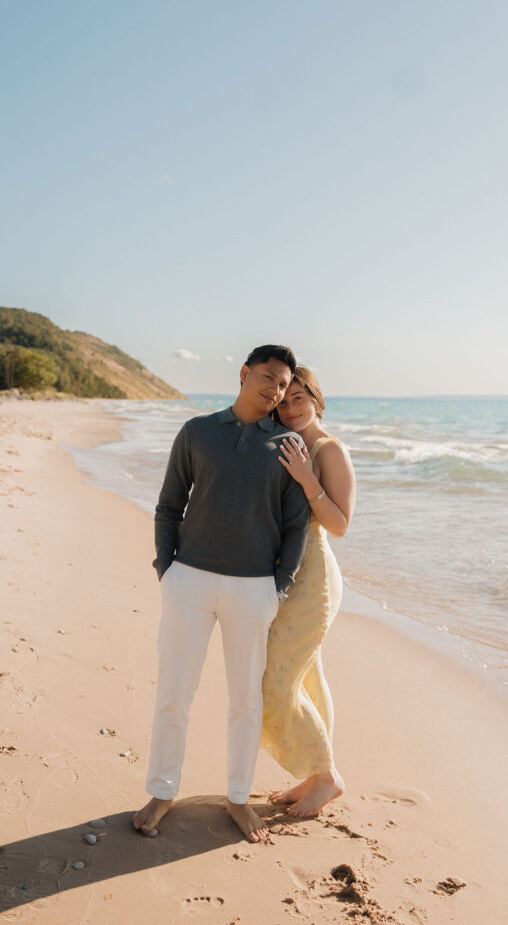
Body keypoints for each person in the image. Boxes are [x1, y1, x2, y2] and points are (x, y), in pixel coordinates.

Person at [132, 345, 310, 843]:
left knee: (244, 701)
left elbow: (296, 525)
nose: (275, 390)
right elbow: (169, 505)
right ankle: (162, 790)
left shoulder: (288, 443)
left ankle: (237, 798)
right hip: (188, 580)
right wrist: (167, 568)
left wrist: (279, 586)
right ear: (244, 373)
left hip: (254, 589)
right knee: (174, 692)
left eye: (282, 384)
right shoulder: (196, 432)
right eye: (269, 378)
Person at [260, 366, 356, 817]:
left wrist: (306, 478)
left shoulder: (328, 450)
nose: (291, 408)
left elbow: (339, 525)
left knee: (277, 681)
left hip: (314, 580)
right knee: (306, 679)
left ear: (316, 399)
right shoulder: (287, 444)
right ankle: (315, 775)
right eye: (283, 400)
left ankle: (328, 776)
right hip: (287, 575)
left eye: (300, 398)